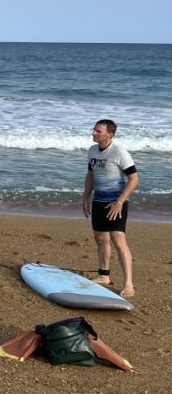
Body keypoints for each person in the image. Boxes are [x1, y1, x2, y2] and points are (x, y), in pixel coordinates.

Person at [81, 119, 139, 297]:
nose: (93, 133)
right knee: (100, 238)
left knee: (118, 239)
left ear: (109, 134)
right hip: (99, 201)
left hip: (116, 203)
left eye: (98, 131)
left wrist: (119, 202)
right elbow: (91, 175)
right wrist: (85, 197)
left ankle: (128, 284)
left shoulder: (119, 152)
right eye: (94, 130)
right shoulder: (92, 150)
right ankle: (104, 275)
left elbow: (134, 180)